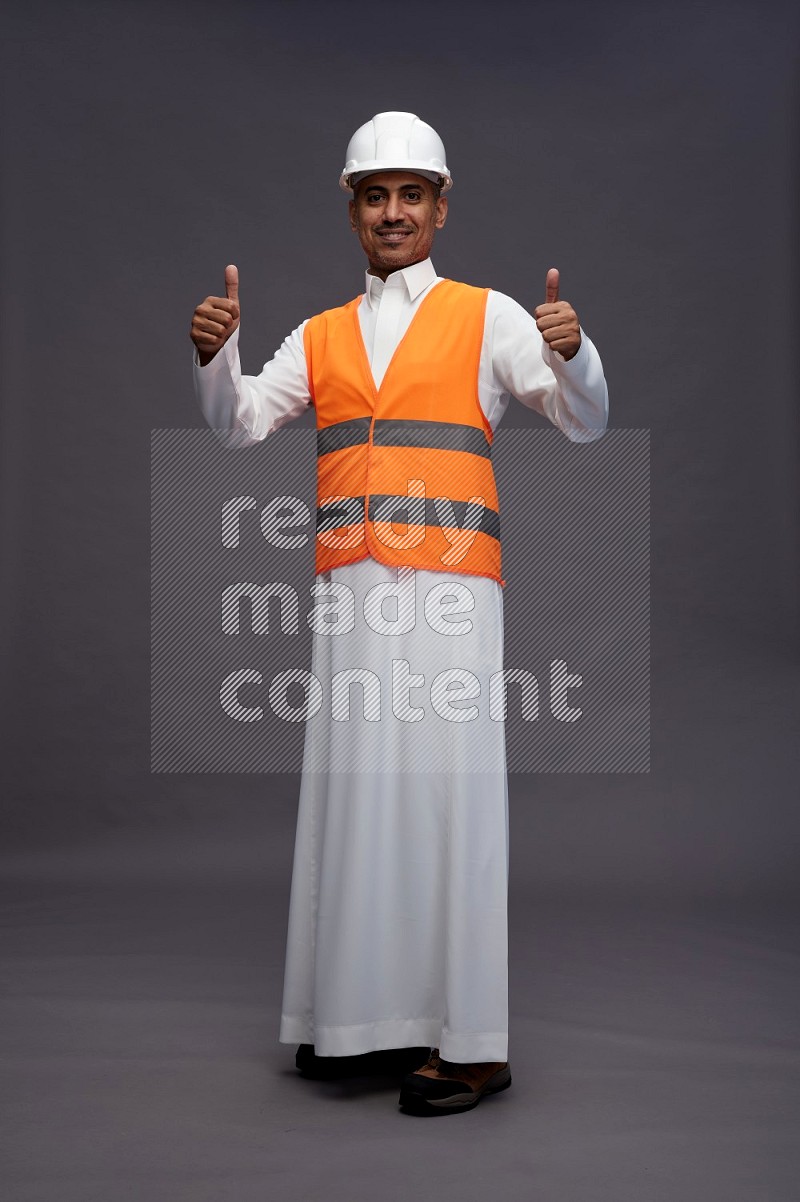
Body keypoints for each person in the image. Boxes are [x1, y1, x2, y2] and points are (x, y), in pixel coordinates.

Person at [190, 111, 609, 1116]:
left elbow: (584, 420)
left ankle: (471, 1044)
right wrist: (217, 354)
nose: (391, 211)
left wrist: (577, 350)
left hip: (452, 597)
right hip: (350, 593)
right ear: (351, 208)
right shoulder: (320, 333)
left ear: (438, 205)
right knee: (356, 801)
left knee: (447, 800)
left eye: (409, 193)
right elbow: (239, 425)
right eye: (373, 194)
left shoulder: (489, 315)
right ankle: (358, 1024)